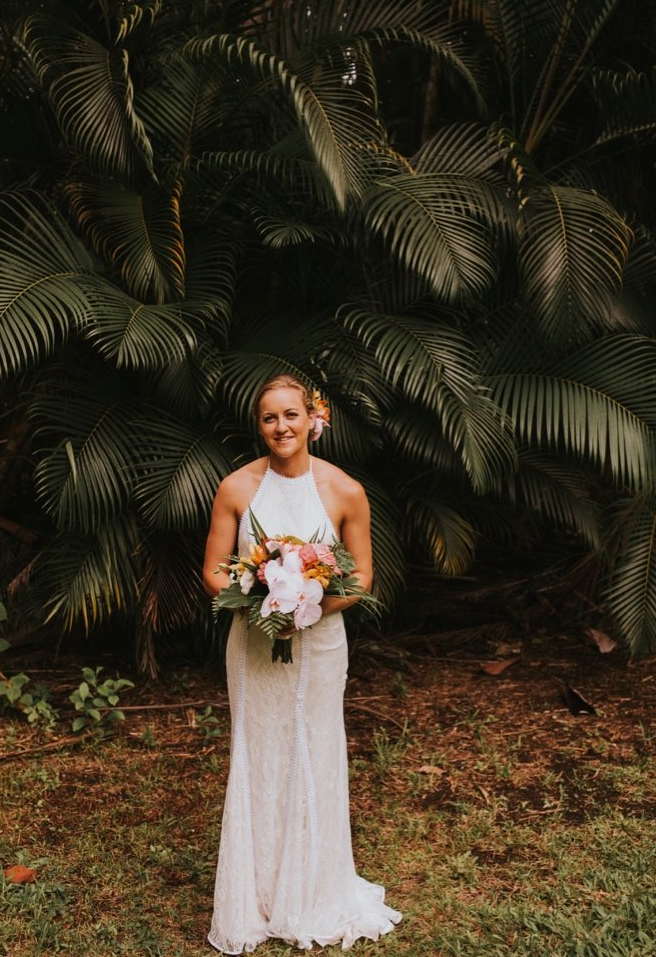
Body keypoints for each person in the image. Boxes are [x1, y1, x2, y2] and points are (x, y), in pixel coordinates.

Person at [201, 374, 401, 952]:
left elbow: (361, 576)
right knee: (258, 750)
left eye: (290, 415)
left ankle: (313, 891)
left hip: (318, 646)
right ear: (258, 425)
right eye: (269, 418)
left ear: (313, 418)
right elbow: (214, 567)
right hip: (252, 643)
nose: (281, 427)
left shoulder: (345, 490)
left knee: (313, 749)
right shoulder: (236, 487)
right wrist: (258, 596)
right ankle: (256, 896)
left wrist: (308, 604)